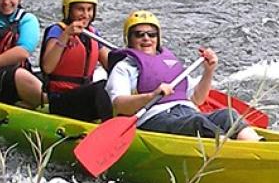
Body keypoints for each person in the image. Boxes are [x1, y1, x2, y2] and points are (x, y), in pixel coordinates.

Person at [107, 10, 261, 141]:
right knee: (197, 122)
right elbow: (119, 104)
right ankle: (235, 150)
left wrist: (208, 71)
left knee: (228, 115)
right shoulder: (124, 68)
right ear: (129, 39)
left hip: (187, 111)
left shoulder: (169, 63)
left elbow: (197, 99)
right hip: (153, 118)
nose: (146, 38)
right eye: (139, 34)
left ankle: (258, 146)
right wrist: (151, 96)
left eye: (152, 34)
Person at [39, 0, 114, 122]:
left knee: (112, 87)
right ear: (68, 10)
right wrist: (66, 35)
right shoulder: (57, 31)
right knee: (101, 87)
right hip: (60, 100)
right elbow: (48, 67)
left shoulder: (92, 34)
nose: (86, 15)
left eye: (89, 9)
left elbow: (110, 64)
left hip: (82, 98)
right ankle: (111, 127)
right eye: (80, 9)